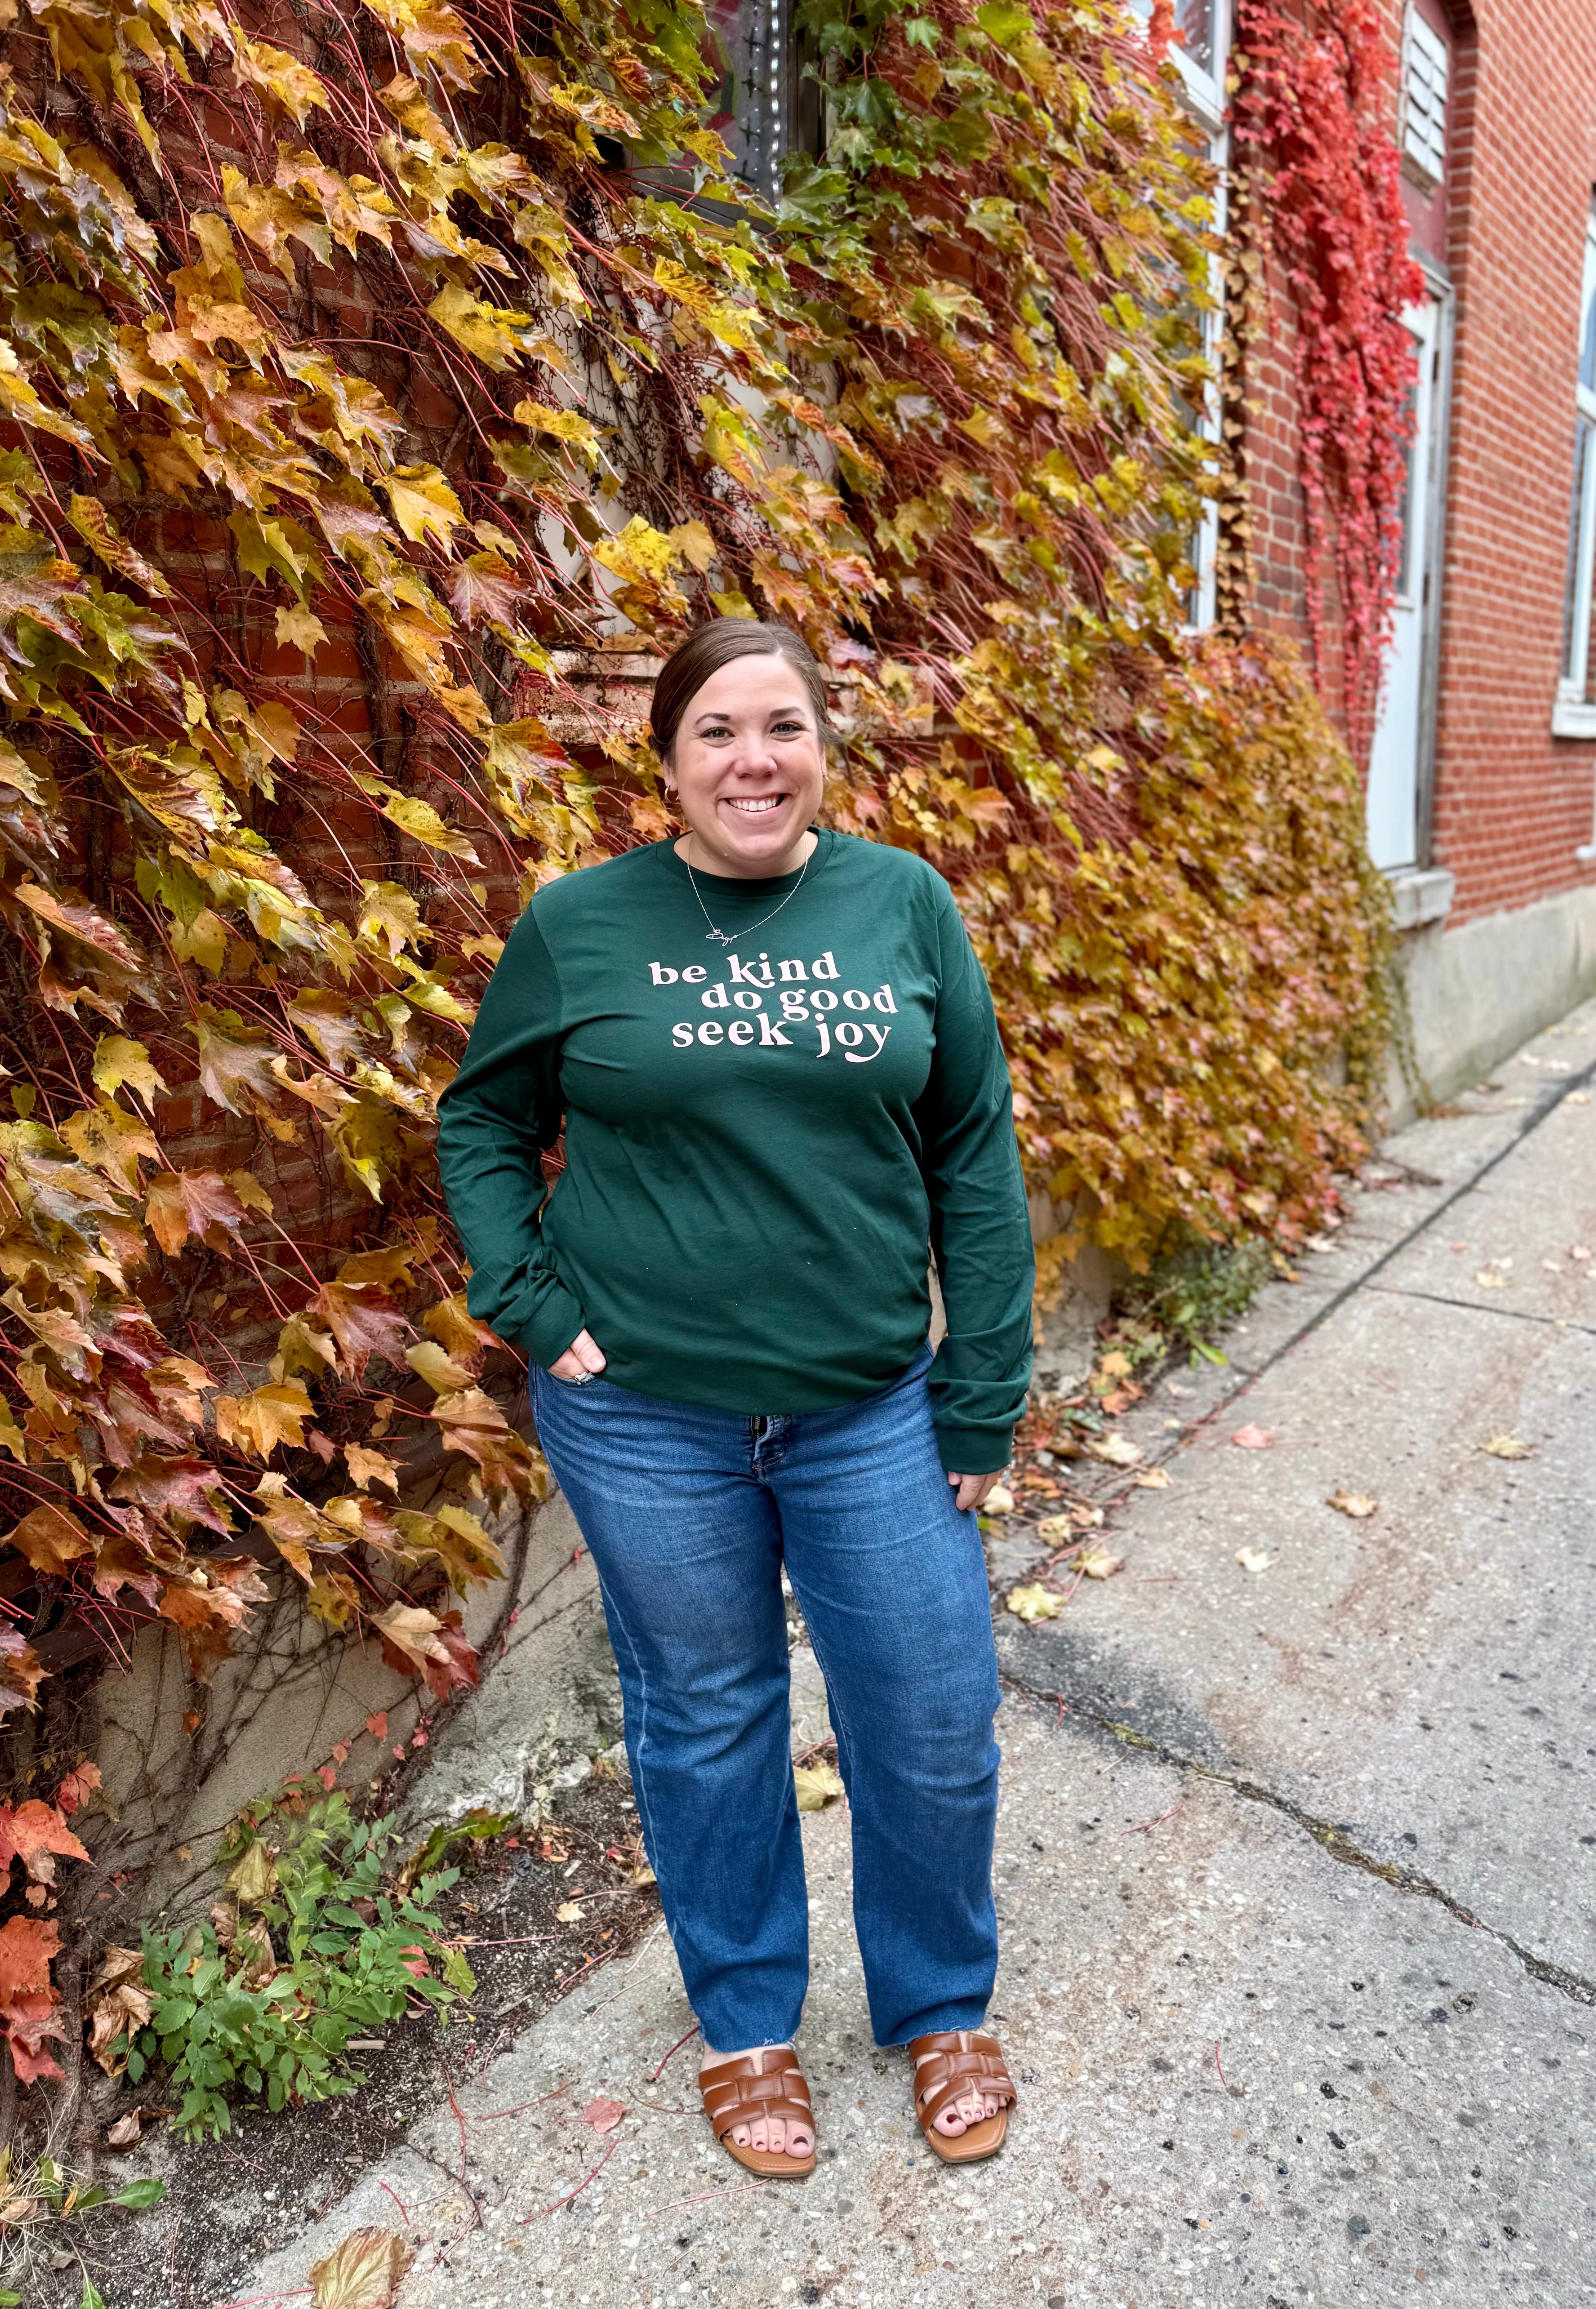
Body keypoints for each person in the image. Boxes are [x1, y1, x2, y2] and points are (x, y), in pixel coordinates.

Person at [436, 616, 1034, 2176]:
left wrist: (982, 1387)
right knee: (706, 1718)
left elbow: (972, 1148)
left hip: (869, 1406)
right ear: (667, 763)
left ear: (823, 746)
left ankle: (937, 2002)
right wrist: (528, 1301)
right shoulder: (581, 924)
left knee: (928, 1710)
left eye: (780, 727)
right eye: (716, 732)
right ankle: (748, 2024)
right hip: (644, 1416)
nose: (750, 760)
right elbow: (482, 1122)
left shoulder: (901, 903)